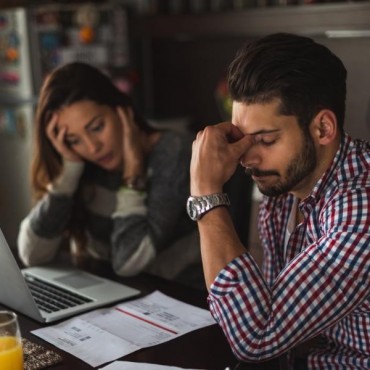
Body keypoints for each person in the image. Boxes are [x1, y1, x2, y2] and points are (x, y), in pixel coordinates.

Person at [187, 33, 370, 369]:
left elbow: (257, 336)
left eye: (266, 139)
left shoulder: (360, 212)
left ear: (323, 128)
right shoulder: (285, 188)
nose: (247, 158)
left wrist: (206, 195)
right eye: (242, 140)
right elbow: (267, 312)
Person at [18, 62, 200, 282]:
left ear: (121, 109)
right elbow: (32, 254)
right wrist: (69, 173)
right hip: (111, 292)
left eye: (96, 128)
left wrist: (133, 173)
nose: (92, 147)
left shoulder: (172, 153)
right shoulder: (84, 164)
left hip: (177, 296)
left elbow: (128, 262)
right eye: (74, 140)